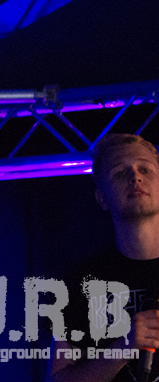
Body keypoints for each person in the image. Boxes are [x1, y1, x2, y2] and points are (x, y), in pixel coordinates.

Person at [48, 133, 159, 382]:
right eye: (120, 173)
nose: (135, 177)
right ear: (102, 198)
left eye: (145, 169)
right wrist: (123, 347)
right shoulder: (81, 282)